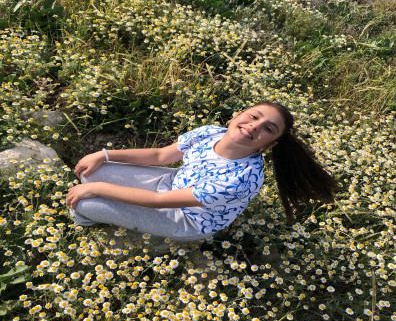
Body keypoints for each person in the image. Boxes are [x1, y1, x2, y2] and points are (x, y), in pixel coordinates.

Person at [66, 102, 336, 241]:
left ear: (269, 145)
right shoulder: (210, 132)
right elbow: (161, 155)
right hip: (172, 183)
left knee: (86, 203)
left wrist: (96, 189)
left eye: (268, 129)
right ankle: (95, 198)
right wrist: (104, 154)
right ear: (236, 116)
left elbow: (158, 202)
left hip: (187, 219)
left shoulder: (241, 179)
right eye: (254, 116)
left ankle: (85, 222)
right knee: (89, 171)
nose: (255, 126)